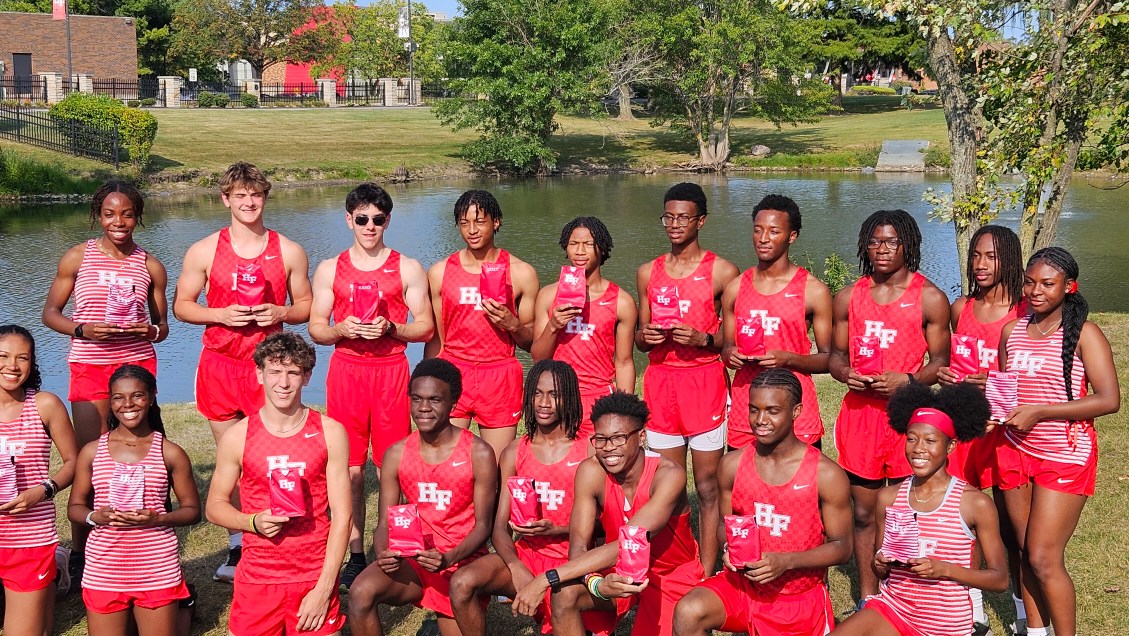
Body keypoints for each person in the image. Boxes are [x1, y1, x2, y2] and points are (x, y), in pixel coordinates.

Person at [174, 161, 313, 581]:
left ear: (265, 198)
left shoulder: (287, 249)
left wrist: (281, 310)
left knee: (268, 452)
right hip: (220, 363)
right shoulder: (204, 250)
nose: (249, 203)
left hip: (267, 366)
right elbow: (182, 306)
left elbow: (306, 306)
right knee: (230, 456)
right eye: (240, 196)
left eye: (255, 195)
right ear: (225, 199)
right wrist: (219, 314)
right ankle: (238, 544)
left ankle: (280, 529)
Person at [41, 180, 169, 582]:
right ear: (99, 215)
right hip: (90, 363)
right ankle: (81, 551)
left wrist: (147, 330)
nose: (119, 221)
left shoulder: (149, 265)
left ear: (138, 216)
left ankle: (146, 533)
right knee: (89, 459)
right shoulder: (77, 257)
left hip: (135, 367)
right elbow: (50, 312)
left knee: (138, 450)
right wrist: (82, 330)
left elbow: (162, 327)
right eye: (111, 213)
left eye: (128, 213)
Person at [308, 183, 434, 588]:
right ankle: (356, 553)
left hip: (390, 369)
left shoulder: (407, 267)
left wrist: (394, 327)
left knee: (392, 466)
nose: (369, 226)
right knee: (351, 469)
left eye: (377, 219)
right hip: (346, 369)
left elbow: (426, 325)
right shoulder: (330, 268)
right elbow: (315, 328)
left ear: (388, 221)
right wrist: (340, 328)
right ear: (348, 220)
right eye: (361, 219)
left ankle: (394, 548)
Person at [827, 209, 950, 602]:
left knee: (902, 513)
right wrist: (847, 374)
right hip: (861, 416)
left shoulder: (929, 297)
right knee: (863, 512)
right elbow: (834, 356)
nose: (882, 249)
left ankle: (903, 592)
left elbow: (941, 362)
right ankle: (868, 594)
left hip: (906, 418)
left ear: (908, 245)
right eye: (875, 241)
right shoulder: (849, 296)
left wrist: (908, 380)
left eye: (892, 241)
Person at [672, 369, 853, 636]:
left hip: (796, 597)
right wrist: (729, 550)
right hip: (742, 587)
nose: (760, 420)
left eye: (772, 410)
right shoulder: (732, 465)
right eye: (753, 409)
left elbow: (842, 547)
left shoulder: (825, 474)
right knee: (688, 611)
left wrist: (786, 561)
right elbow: (724, 525)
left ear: (796, 411)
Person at [996, 247, 1119, 636]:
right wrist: (990, 406)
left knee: (1043, 556)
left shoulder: (1085, 333)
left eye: (1048, 284)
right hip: (1015, 450)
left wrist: (1042, 411)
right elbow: (1007, 391)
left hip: (1063, 454)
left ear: (1069, 286)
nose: (1036, 291)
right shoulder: (1011, 331)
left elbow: (1108, 399)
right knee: (1022, 552)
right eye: (1030, 282)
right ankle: (1035, 631)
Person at [512, 391, 704, 636]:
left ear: (642, 435)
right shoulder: (591, 471)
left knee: (556, 584)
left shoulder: (668, 475)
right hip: (618, 571)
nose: (608, 448)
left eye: (619, 438)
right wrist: (597, 582)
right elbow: (578, 547)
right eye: (600, 439)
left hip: (670, 576)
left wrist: (545, 579)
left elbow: (627, 543)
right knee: (564, 595)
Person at [832, 381, 1009, 636]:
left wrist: (944, 569)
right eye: (912, 439)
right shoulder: (889, 497)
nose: (918, 449)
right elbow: (880, 569)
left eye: (930, 441)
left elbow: (999, 579)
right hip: (894, 609)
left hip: (944, 625)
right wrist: (881, 562)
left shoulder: (974, 503)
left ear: (950, 446)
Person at [205, 332, 351, 636]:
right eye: (274, 371)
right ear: (259, 374)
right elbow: (215, 506)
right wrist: (251, 521)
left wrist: (324, 589)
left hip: (313, 572)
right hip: (258, 577)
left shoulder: (330, 432)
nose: (283, 383)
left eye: (293, 372)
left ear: (307, 376)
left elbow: (343, 517)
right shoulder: (238, 436)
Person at [450, 360, 608, 636]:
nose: (543, 402)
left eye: (554, 395)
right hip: (527, 555)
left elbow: (608, 526)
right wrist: (515, 566)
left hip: (573, 558)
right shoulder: (514, 452)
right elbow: (500, 528)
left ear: (569, 398)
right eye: (537, 393)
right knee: (462, 583)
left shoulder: (587, 451)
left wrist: (557, 529)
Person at [348, 358, 498, 636]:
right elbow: (384, 523)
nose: (424, 408)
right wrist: (383, 553)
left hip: (460, 562)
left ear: (453, 404)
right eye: (416, 399)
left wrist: (449, 557)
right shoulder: (397, 453)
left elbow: (483, 526)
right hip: (415, 560)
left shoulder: (479, 453)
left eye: (434, 400)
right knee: (360, 593)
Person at [635, 182, 739, 574]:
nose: (674, 224)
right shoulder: (648, 272)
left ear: (701, 221)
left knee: (709, 487)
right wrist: (644, 337)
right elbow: (641, 340)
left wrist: (704, 338)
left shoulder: (723, 271)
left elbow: (733, 337)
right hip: (662, 384)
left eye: (683, 217)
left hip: (704, 382)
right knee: (668, 485)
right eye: (669, 217)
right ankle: (673, 564)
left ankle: (708, 570)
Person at [936, 225, 1027, 633]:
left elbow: (1030, 378)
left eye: (991, 256)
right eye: (975, 255)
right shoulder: (961, 308)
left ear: (1009, 259)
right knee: (961, 518)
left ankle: (1024, 610)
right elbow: (955, 368)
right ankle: (970, 608)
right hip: (967, 427)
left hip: (1007, 430)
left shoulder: (1024, 312)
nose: (981, 264)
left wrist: (990, 381)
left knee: (1012, 527)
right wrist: (947, 377)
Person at [67, 364, 200, 636]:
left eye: (137, 396)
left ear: (151, 397)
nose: (128, 404)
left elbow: (192, 511)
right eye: (118, 397)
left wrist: (159, 518)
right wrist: (95, 517)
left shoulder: (170, 453)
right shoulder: (93, 452)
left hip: (156, 566)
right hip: (104, 566)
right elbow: (75, 507)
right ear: (110, 401)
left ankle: (184, 605)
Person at [425, 190, 539, 459]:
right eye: (465, 223)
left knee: (497, 462)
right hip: (454, 368)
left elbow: (532, 341)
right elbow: (435, 338)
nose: (472, 230)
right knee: (445, 459)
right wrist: (429, 377)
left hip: (499, 372)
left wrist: (513, 324)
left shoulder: (521, 273)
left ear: (496, 222)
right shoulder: (440, 272)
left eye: (480, 222)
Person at [720, 194, 832, 449]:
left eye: (773, 231)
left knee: (801, 486)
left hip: (795, 408)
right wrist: (731, 354)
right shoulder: (736, 288)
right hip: (746, 406)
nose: (763, 238)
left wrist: (788, 359)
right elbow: (726, 349)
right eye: (758, 230)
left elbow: (828, 359)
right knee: (742, 483)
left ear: (791, 236)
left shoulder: (813, 291)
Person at [0, 324, 78, 636]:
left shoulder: (44, 405)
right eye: (3, 356)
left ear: (32, 363)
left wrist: (45, 490)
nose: (12, 366)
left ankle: (53, 569)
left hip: (28, 535)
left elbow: (74, 462)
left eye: (23, 358)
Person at [531, 217, 637, 438]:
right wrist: (553, 326)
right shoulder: (548, 296)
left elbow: (624, 361)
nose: (580, 251)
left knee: (597, 467)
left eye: (588, 244)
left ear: (602, 248)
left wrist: (624, 409)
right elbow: (539, 358)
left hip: (598, 397)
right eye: (573, 244)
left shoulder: (622, 302)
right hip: (557, 395)